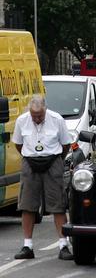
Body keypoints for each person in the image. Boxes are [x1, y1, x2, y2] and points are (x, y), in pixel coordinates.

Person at [12, 95, 73, 260]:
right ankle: (27, 246)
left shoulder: (57, 119)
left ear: (45, 110)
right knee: (27, 204)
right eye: (34, 116)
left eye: (39, 116)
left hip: (53, 160)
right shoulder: (22, 120)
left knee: (58, 204)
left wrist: (57, 161)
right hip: (30, 162)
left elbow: (65, 144)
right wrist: (29, 156)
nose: (36, 119)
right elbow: (18, 144)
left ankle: (63, 245)